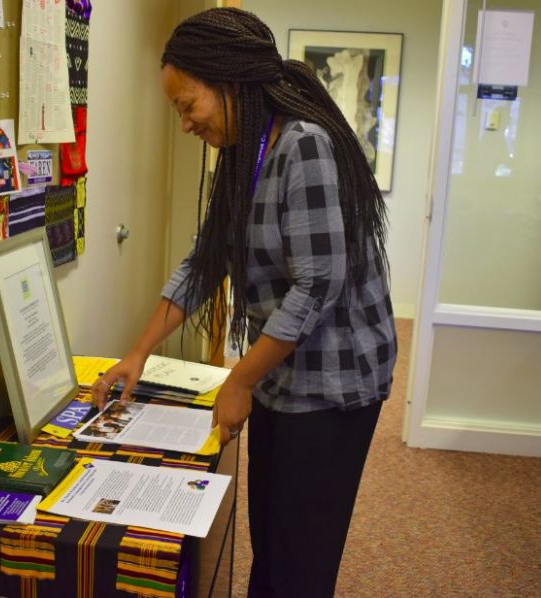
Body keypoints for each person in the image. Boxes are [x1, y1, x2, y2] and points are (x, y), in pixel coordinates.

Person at [90, 8, 396, 597]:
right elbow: (204, 262)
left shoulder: (304, 145)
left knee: (302, 557)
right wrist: (138, 353)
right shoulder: (244, 154)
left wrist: (240, 380)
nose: (184, 124)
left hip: (335, 382)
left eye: (187, 105)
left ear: (230, 83)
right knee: (272, 541)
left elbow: (317, 284)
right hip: (280, 371)